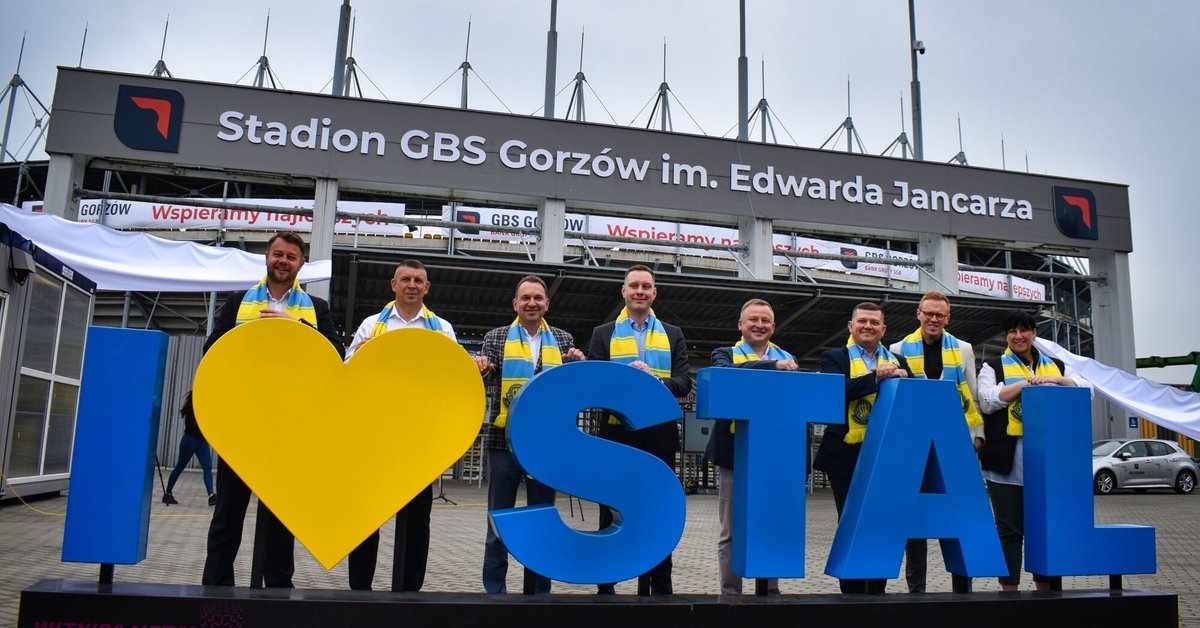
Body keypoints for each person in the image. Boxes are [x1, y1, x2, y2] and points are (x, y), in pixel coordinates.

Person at [202, 231, 343, 588]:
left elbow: (336, 356)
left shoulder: (317, 308)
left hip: (290, 427)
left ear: (301, 264)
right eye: (278, 254)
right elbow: (212, 351)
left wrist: (296, 328)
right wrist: (251, 336)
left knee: (281, 517)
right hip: (243, 424)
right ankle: (215, 587)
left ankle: (279, 591)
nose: (283, 261)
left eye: (291, 257)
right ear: (267, 257)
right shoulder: (238, 302)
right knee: (228, 513)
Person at [344, 259, 456, 592]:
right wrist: (361, 355)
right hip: (374, 433)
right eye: (405, 279)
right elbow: (346, 373)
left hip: (418, 437)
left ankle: (409, 591)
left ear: (427, 288)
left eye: (418, 280)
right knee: (366, 516)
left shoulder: (442, 329)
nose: (411, 285)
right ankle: (359, 589)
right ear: (393, 285)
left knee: (417, 517)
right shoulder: (370, 325)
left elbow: (453, 378)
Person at [473, 275, 586, 594]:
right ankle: (494, 590)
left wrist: (577, 364)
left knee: (542, 520)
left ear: (547, 304)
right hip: (503, 442)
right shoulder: (496, 337)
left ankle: (537, 593)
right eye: (525, 298)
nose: (532, 303)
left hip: (545, 444)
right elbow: (484, 384)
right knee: (498, 520)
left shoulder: (563, 339)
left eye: (538, 298)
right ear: (515, 304)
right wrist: (480, 368)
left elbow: (569, 389)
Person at [588, 264, 692, 595]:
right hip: (616, 435)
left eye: (646, 286)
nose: (640, 291)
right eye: (634, 285)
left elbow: (684, 382)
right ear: (623, 291)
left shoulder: (673, 333)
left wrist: (653, 382)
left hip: (659, 435)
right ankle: (606, 586)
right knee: (611, 508)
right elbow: (595, 383)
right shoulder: (603, 333)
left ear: (654, 293)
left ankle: (660, 587)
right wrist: (626, 378)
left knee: (657, 510)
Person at [977, 310, 1090, 592]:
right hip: (1005, 464)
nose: (1018, 336)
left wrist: (1056, 380)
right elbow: (987, 401)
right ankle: (1009, 592)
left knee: (1044, 529)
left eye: (1024, 330)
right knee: (1008, 531)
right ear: (1006, 336)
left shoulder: (1057, 365)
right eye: (1012, 331)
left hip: (1049, 463)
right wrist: (1025, 384)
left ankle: (1045, 593)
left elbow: (1086, 390)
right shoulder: (992, 366)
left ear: (1034, 333)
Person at [888, 291, 984, 594]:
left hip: (954, 443)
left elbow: (972, 394)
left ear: (947, 317)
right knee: (914, 520)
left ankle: (963, 588)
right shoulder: (897, 348)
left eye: (939, 315)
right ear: (918, 314)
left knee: (958, 517)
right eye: (928, 313)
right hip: (914, 444)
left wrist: (978, 435)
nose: (933, 319)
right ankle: (916, 589)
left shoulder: (964, 349)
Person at [813, 302, 909, 595]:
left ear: (884, 329)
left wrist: (905, 379)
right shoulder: (833, 357)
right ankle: (852, 593)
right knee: (850, 522)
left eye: (874, 322)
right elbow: (834, 391)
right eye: (862, 321)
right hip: (845, 455)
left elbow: (911, 398)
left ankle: (877, 590)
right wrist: (876, 378)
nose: (868, 326)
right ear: (851, 326)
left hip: (886, 454)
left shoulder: (898, 361)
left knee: (881, 521)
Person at [705, 298, 798, 595]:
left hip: (773, 455)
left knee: (770, 526)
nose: (759, 325)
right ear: (740, 325)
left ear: (773, 326)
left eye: (765, 320)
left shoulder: (790, 358)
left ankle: (769, 592)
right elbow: (726, 376)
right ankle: (731, 593)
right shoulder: (724, 354)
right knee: (731, 530)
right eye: (753, 320)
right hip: (734, 454)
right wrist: (773, 366)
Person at [163, 391, 216, 507]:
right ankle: (167, 493)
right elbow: (191, 426)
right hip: (189, 440)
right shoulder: (191, 410)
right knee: (180, 467)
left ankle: (211, 495)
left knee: (207, 467)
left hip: (201, 442)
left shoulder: (205, 410)